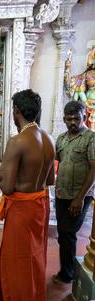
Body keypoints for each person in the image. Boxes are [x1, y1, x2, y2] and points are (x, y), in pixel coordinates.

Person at [0, 89, 55, 301]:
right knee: (35, 258)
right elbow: (50, 178)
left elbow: (7, 186)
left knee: (16, 262)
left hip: (21, 208)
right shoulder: (49, 139)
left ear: (16, 111)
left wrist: (0, 173)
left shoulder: (17, 141)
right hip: (40, 204)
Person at [53, 101, 95, 284]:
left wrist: (79, 198)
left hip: (80, 195)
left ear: (84, 117)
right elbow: (57, 163)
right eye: (69, 119)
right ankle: (67, 270)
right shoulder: (61, 139)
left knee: (67, 232)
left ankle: (67, 274)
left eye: (77, 118)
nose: (73, 122)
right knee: (64, 234)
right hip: (61, 194)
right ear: (64, 119)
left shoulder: (90, 137)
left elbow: (93, 169)